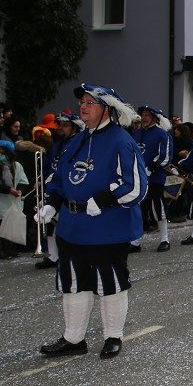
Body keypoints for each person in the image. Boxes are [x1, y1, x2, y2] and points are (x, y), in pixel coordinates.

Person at [38, 84, 145, 359]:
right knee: (73, 282)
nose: (83, 107)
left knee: (109, 282)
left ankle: (113, 336)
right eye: (82, 102)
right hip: (73, 226)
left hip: (107, 227)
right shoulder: (75, 141)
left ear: (106, 108)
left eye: (90, 102)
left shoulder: (122, 141)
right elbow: (60, 180)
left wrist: (103, 199)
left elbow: (135, 187)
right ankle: (74, 339)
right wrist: (51, 204)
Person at [35, 111, 85, 269]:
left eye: (65, 125)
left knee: (68, 223)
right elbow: (50, 165)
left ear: (75, 127)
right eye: (60, 125)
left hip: (69, 189)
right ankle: (53, 256)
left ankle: (73, 255)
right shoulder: (58, 144)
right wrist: (41, 178)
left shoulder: (78, 143)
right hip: (54, 187)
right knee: (49, 223)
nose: (61, 128)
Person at [131, 105, 173, 253]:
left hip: (155, 177)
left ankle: (164, 239)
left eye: (147, 115)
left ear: (154, 118)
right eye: (142, 115)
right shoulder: (137, 133)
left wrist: (152, 168)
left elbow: (165, 156)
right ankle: (136, 242)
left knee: (157, 207)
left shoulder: (162, 134)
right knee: (139, 208)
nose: (144, 117)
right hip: (139, 177)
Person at [0, 139, 29, 259]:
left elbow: (23, 181)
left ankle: (9, 249)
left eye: (3, 153)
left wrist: (20, 190)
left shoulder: (17, 166)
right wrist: (9, 190)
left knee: (11, 226)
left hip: (12, 201)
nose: (0, 155)